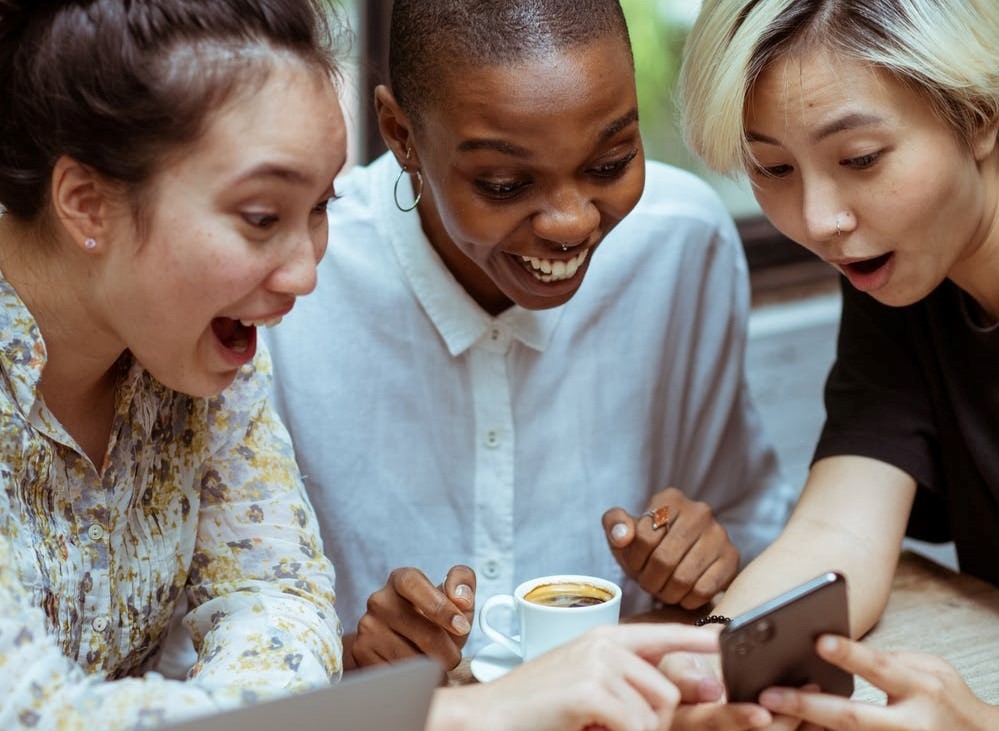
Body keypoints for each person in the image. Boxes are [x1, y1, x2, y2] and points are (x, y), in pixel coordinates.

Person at [0, 2, 726, 730]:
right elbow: (30, 709)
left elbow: (280, 606)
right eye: (260, 217)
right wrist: (474, 711)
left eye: (318, 208)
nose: (304, 273)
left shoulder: (194, 353)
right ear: (87, 204)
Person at [263, 0, 794, 672]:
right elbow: (210, 644)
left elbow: (753, 529)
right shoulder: (298, 293)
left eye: (610, 163)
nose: (570, 222)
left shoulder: (680, 243)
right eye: (504, 182)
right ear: (400, 134)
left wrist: (706, 559)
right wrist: (347, 660)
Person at [677, 0, 999, 729]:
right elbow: (838, 533)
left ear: (979, 112)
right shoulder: (903, 274)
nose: (820, 220)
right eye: (773, 167)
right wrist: (709, 665)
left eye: (859, 159)